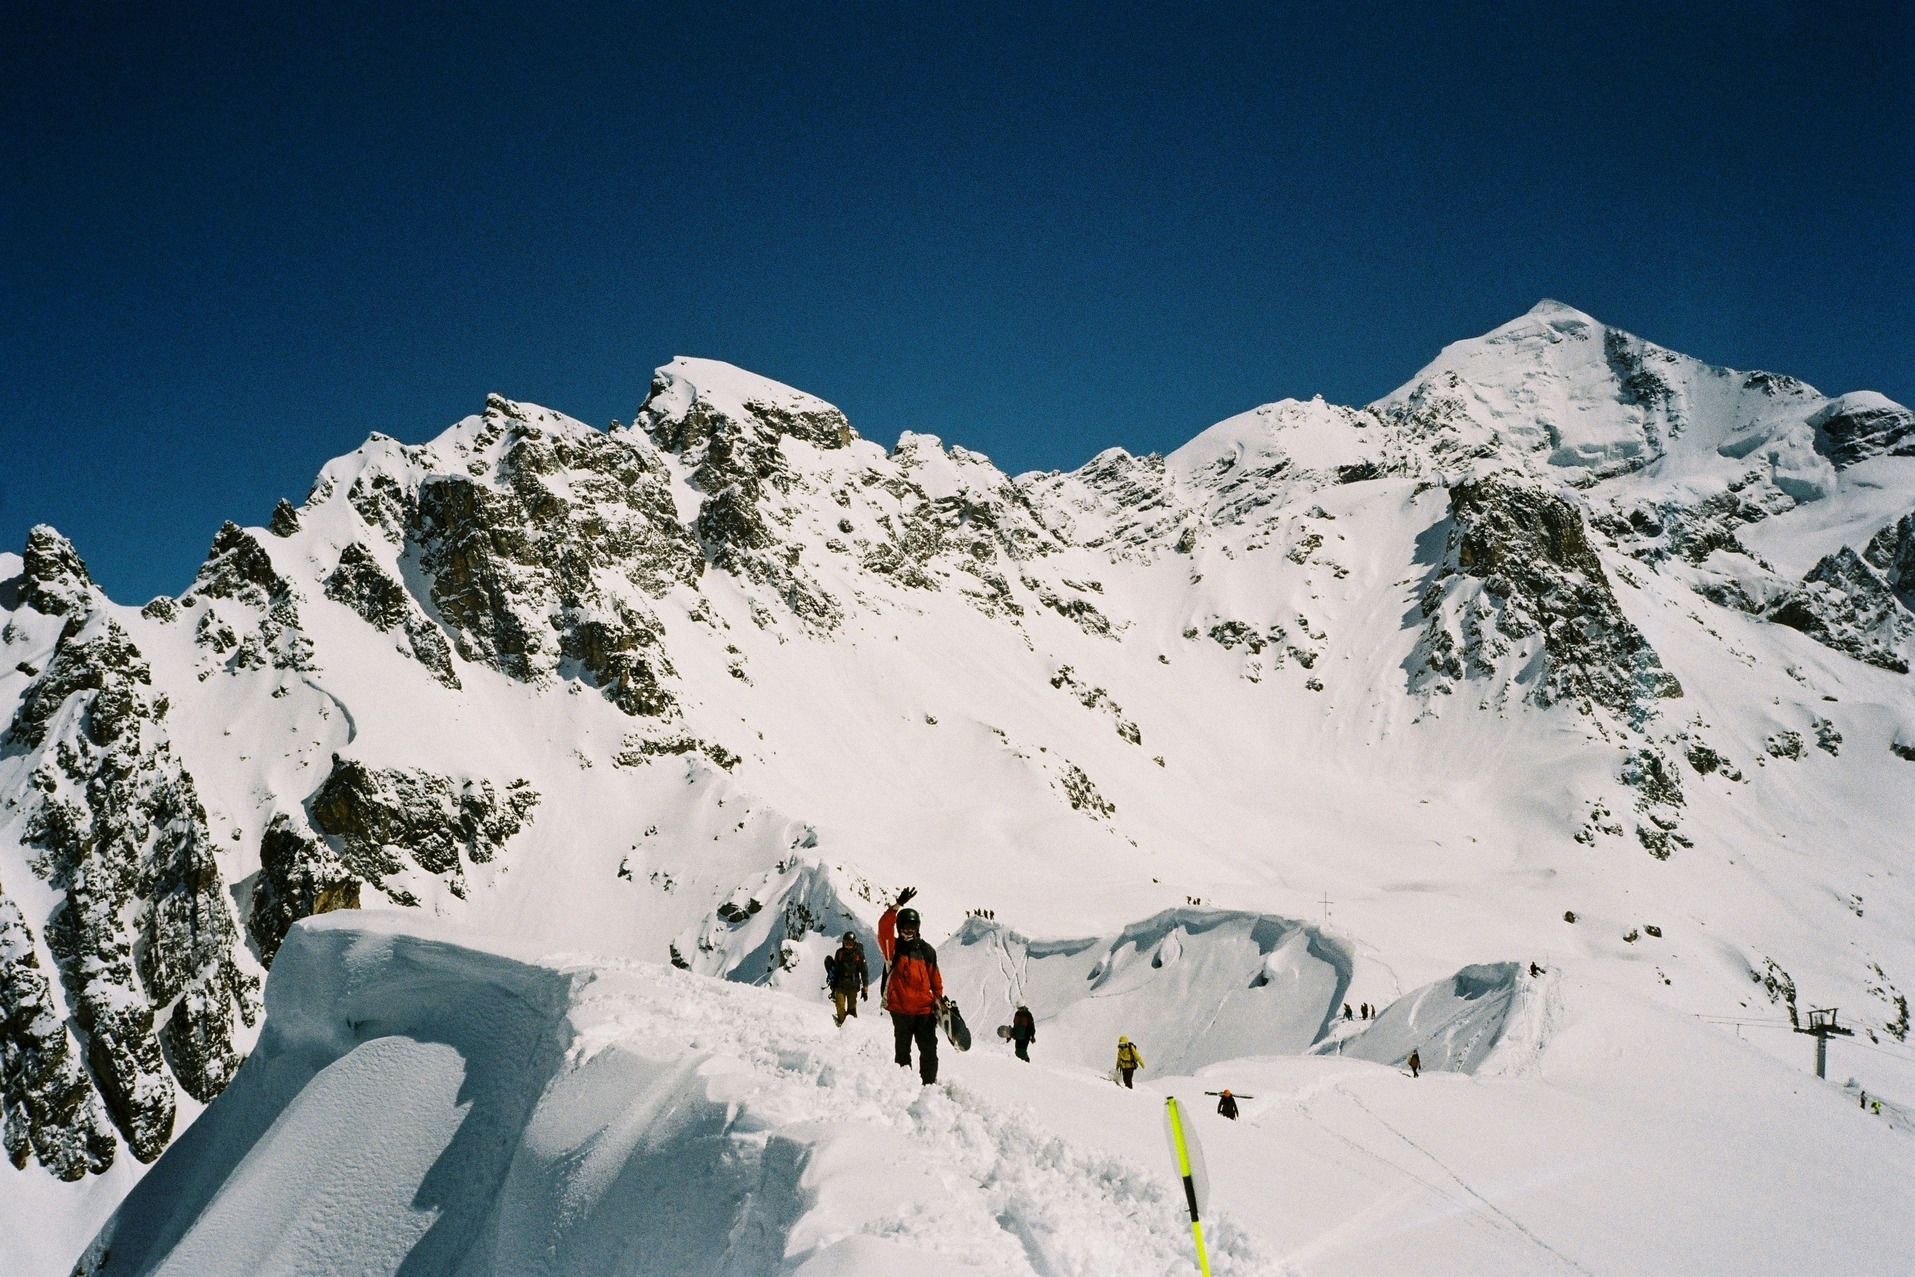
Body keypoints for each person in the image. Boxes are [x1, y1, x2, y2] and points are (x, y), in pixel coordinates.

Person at [879, 900, 942, 1084]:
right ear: (899, 927)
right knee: (902, 1051)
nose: (908, 931)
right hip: (900, 1011)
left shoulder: (927, 951)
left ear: (917, 928)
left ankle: (928, 1085)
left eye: (912, 927)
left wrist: (938, 1000)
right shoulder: (893, 949)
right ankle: (903, 1085)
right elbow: (883, 927)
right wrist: (896, 906)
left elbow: (935, 978)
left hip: (924, 1011)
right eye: (905, 927)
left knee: (929, 1050)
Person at [823, 931, 868, 1027]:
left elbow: (864, 970)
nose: (848, 946)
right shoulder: (839, 953)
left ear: (854, 943)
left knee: (852, 1008)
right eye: (846, 943)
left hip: (853, 985)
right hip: (840, 984)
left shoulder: (859, 954)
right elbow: (836, 968)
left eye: (850, 944)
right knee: (840, 1006)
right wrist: (833, 984)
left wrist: (865, 986)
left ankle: (851, 1028)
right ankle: (841, 1024)